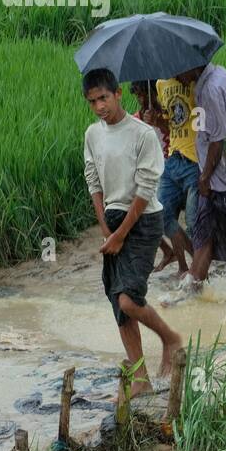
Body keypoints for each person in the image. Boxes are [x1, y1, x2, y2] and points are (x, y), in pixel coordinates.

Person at [81, 68, 182, 397]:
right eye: (93, 101)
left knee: (129, 299)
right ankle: (140, 378)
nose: (99, 106)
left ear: (117, 94)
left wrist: (122, 234)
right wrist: (105, 228)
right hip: (113, 220)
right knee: (117, 303)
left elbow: (145, 188)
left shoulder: (143, 134)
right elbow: (94, 183)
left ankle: (170, 338)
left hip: (143, 220)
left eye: (104, 98)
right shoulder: (92, 135)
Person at [172, 60, 226, 299]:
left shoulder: (208, 91)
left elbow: (217, 140)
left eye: (178, 71)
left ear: (192, 64)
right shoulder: (220, 75)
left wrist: (204, 177)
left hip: (222, 178)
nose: (176, 78)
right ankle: (192, 290)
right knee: (203, 233)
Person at [127, 80, 181, 273]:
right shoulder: (136, 119)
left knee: (156, 216)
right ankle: (170, 252)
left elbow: (174, 134)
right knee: (142, 215)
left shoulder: (165, 113)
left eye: (144, 94)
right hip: (149, 172)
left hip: (167, 168)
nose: (141, 99)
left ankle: (183, 257)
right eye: (138, 95)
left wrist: (157, 121)